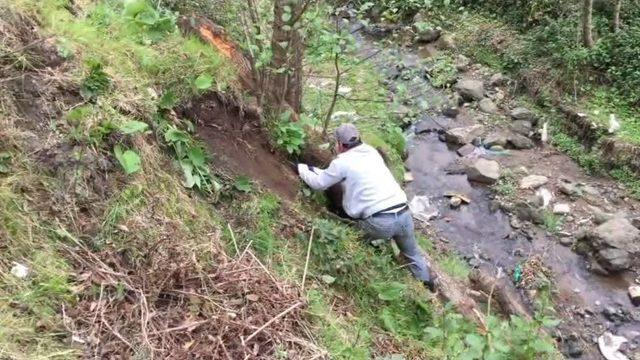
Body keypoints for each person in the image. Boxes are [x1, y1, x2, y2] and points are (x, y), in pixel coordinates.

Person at [297, 123, 436, 291]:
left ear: (340, 145)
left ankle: (352, 269)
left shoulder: (342, 162)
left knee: (348, 237)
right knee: (413, 253)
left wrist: (301, 168)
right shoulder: (371, 152)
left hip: (380, 222)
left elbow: (319, 183)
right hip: (404, 214)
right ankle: (428, 288)